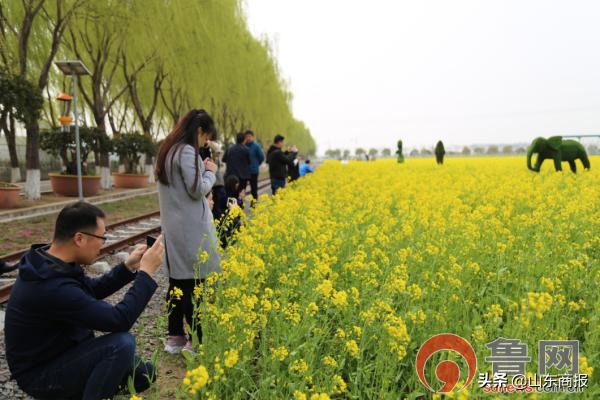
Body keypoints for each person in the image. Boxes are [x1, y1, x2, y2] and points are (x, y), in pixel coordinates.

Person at [4, 201, 165, 400]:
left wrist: (127, 267)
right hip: (40, 375)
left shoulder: (49, 262)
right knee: (121, 344)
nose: (102, 244)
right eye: (101, 238)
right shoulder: (51, 287)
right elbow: (118, 320)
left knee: (144, 373)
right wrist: (146, 274)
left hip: (63, 355)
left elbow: (89, 290)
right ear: (79, 238)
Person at [155, 109, 220, 354]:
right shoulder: (188, 151)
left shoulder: (168, 149)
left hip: (174, 225)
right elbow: (197, 189)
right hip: (190, 228)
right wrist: (210, 172)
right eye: (206, 137)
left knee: (177, 283)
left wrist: (201, 169)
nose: (205, 142)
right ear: (199, 131)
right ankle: (196, 342)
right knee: (195, 284)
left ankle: (175, 338)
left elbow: (183, 187)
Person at [244, 130, 265, 203]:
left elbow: (261, 157)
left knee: (254, 189)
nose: (248, 138)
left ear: (253, 137)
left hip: (253, 171)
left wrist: (256, 164)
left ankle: (253, 205)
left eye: (250, 137)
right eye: (247, 137)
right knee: (242, 189)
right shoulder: (243, 145)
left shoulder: (256, 146)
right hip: (244, 171)